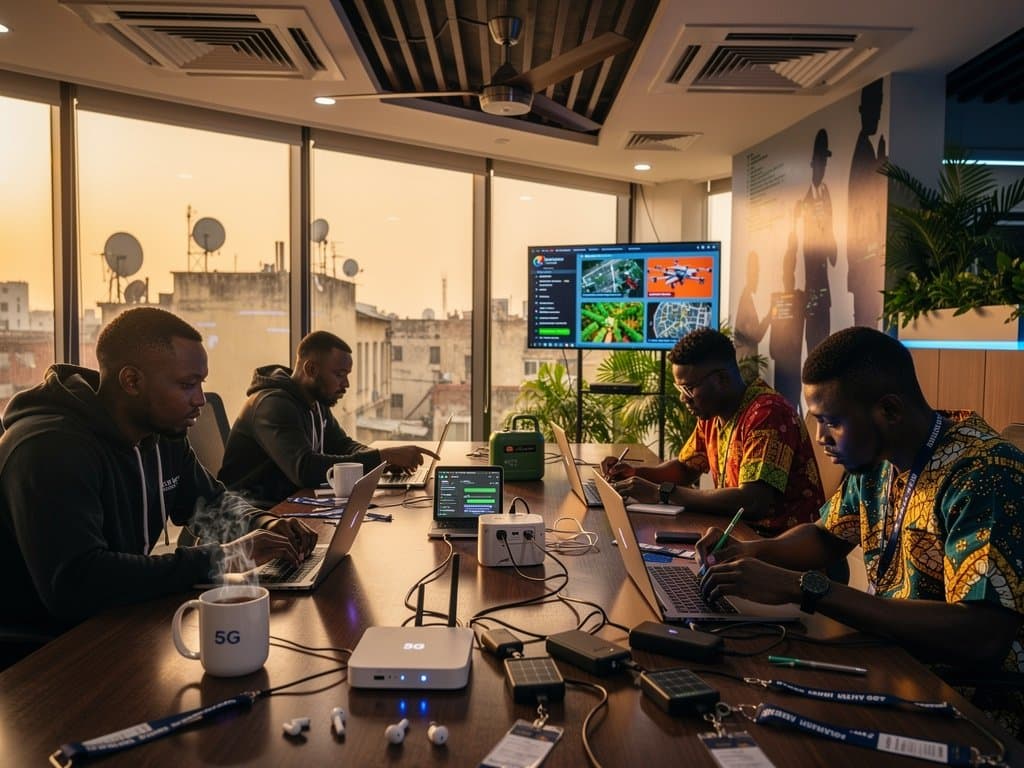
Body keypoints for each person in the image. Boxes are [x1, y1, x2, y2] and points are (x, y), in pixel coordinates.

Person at [697, 327, 1024, 732]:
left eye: (831, 422)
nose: (820, 437)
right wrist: (750, 553)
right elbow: (825, 536)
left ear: (889, 410)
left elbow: (982, 636)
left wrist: (805, 588)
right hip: (894, 659)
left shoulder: (983, 475)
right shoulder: (876, 459)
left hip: (968, 699)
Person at [0, 307, 316, 642]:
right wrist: (225, 558)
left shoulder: (163, 436)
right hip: (39, 653)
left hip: (115, 621)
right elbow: (77, 583)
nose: (199, 400)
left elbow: (212, 504)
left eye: (200, 384)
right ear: (132, 381)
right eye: (186, 385)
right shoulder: (48, 449)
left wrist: (264, 524)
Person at [602, 328, 824, 537]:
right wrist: (635, 475)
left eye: (688, 388)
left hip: (781, 552)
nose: (683, 398)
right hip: (739, 539)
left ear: (722, 379)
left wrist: (661, 493)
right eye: (680, 389)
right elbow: (685, 469)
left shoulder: (767, 414)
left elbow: (753, 502)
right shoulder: (713, 413)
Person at [219, 330, 438, 504]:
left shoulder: (315, 400)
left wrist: (382, 462)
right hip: (253, 518)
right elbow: (305, 469)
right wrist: (381, 457)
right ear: (311, 369)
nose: (346, 384)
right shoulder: (272, 405)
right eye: (339, 374)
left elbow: (342, 445)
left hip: (290, 508)